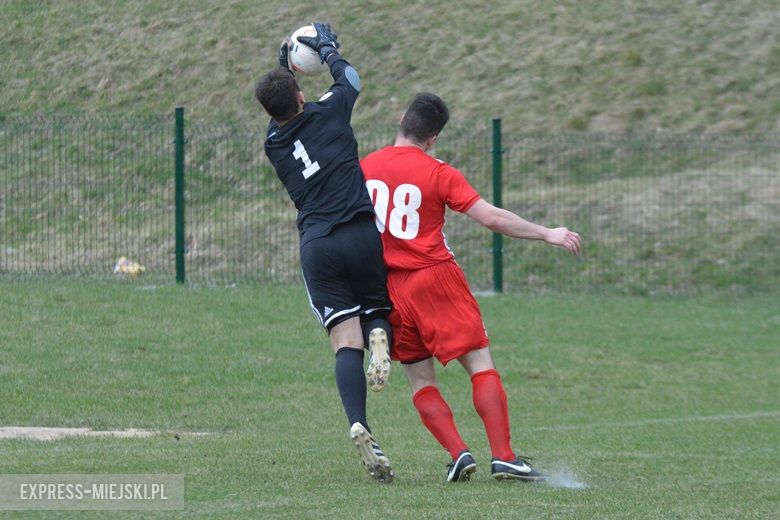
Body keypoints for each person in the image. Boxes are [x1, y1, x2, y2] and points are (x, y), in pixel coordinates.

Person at [360, 93, 581, 483]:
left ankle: (459, 453)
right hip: (434, 278)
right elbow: (492, 218)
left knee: (420, 379)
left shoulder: (365, 167)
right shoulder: (438, 172)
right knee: (480, 365)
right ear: (432, 138)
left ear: (401, 119)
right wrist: (548, 233)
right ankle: (504, 457)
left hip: (389, 288)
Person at [255, 23, 394, 483]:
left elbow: (281, 105)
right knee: (377, 311)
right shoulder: (331, 112)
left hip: (318, 245)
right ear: (300, 94)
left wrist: (286, 68)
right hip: (359, 231)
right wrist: (327, 50)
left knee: (343, 343)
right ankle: (380, 335)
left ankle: (360, 423)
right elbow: (349, 80)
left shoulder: (273, 144)